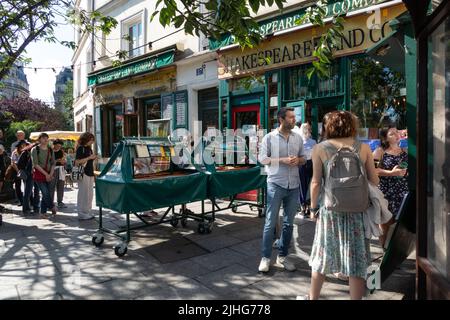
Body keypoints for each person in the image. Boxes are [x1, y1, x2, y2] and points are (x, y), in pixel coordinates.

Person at [300, 111, 379, 300]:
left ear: (328, 127)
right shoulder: (364, 148)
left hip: (330, 211)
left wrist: (312, 209)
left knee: (322, 255)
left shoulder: (320, 148)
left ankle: (313, 298)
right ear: (352, 126)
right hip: (358, 211)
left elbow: (316, 182)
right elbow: (374, 180)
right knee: (357, 262)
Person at [258, 107, 306, 273]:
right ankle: (265, 258)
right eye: (291, 117)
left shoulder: (298, 138)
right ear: (281, 119)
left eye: (294, 117)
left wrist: (298, 160)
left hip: (293, 185)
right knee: (270, 222)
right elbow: (263, 159)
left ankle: (282, 256)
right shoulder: (269, 138)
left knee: (288, 224)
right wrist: (283, 160)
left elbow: (304, 158)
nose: (294, 120)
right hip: (275, 184)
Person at [372, 126, 408, 247]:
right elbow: (373, 170)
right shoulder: (379, 152)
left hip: (403, 191)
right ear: (385, 138)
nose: (397, 135)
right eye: (392, 134)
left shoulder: (405, 151)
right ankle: (385, 251)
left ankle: (396, 253)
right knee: (386, 222)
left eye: (397, 132)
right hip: (386, 191)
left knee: (401, 224)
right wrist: (391, 173)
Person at [31, 133, 56, 218]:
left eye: (47, 138)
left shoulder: (50, 149)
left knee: (47, 193)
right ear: (39, 139)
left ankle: (43, 212)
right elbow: (35, 164)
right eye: (43, 138)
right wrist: (46, 174)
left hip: (49, 173)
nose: (45, 140)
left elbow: (53, 163)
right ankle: (52, 206)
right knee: (45, 192)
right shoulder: (35, 149)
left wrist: (50, 174)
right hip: (39, 173)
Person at [75, 132, 97, 220]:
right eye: (91, 140)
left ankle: (87, 211)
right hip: (83, 173)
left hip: (90, 172)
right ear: (86, 139)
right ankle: (81, 213)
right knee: (83, 193)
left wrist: (93, 157)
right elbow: (77, 162)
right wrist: (89, 158)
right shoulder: (80, 148)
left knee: (89, 194)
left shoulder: (88, 148)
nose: (92, 142)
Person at [298, 123, 316, 217]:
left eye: (309, 129)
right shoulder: (299, 141)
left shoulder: (313, 141)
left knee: (310, 185)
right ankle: (302, 207)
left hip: (310, 163)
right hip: (301, 164)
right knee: (302, 186)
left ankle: (308, 206)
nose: (309, 131)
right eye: (307, 129)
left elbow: (315, 154)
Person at [19, 142, 40, 215]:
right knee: (31, 192)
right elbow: (19, 164)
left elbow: (19, 164)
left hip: (33, 174)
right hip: (31, 174)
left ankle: (30, 209)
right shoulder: (26, 153)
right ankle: (33, 208)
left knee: (29, 192)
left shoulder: (25, 152)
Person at [49, 139, 67, 209]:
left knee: (61, 186)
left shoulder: (61, 152)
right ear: (54, 145)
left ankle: (60, 201)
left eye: (60, 146)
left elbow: (64, 161)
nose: (59, 147)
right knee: (52, 186)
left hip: (61, 169)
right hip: (53, 170)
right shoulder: (50, 151)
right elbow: (49, 162)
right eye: (57, 146)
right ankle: (50, 202)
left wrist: (63, 161)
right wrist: (57, 161)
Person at [11, 141, 28, 205]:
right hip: (16, 170)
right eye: (22, 145)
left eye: (24, 145)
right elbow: (13, 163)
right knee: (17, 186)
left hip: (25, 170)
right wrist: (18, 171)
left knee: (27, 186)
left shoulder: (27, 152)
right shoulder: (15, 152)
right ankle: (20, 200)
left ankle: (27, 200)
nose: (23, 146)